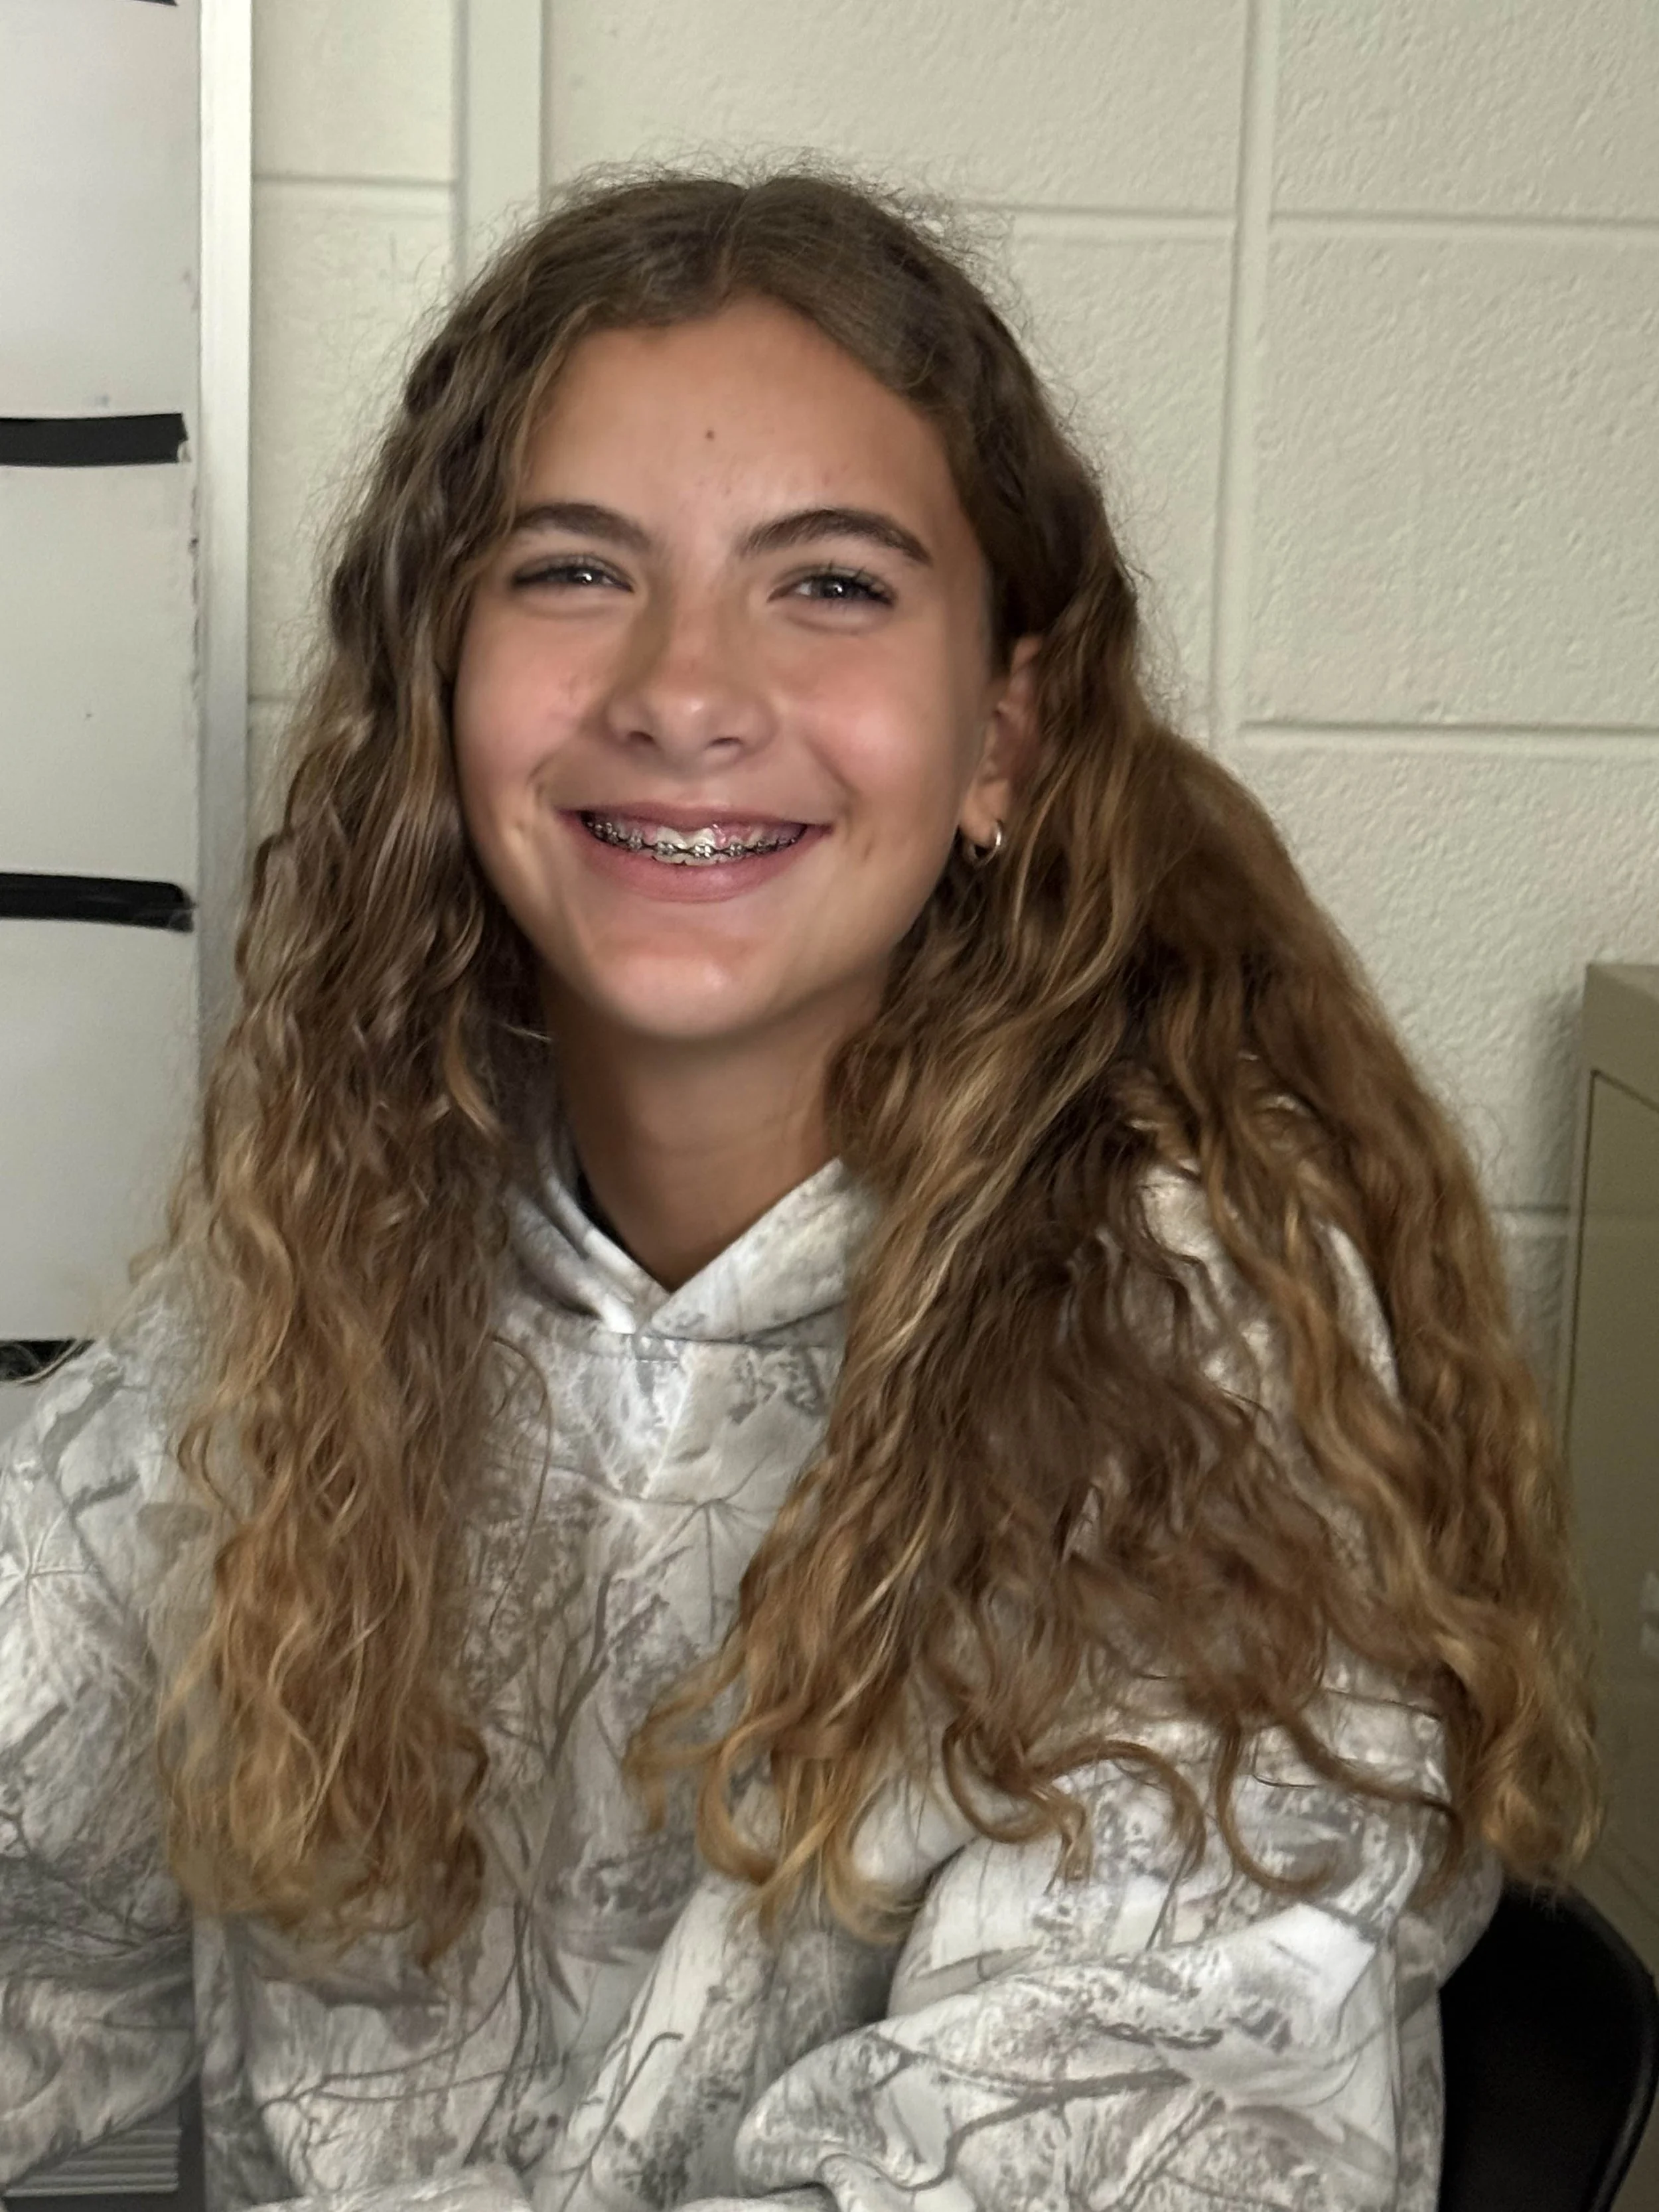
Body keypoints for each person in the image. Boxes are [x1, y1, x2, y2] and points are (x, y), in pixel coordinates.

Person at [0, 160, 1598, 2212]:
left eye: (829, 583)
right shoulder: (354, 1237)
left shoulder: (1185, 1357)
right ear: (438, 686)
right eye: (573, 569)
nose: (683, 689)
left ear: (1001, 733)